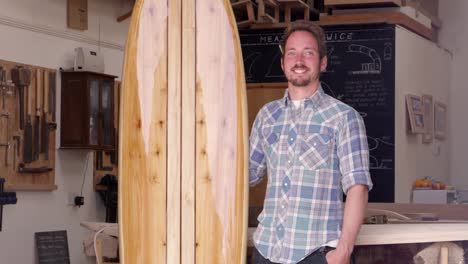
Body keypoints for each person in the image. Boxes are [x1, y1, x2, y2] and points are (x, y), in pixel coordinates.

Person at [249, 20, 373, 264]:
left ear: (322, 62)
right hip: (267, 251)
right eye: (292, 53)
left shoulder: (344, 117)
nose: (299, 61)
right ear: (284, 63)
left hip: (316, 254)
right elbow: (246, 176)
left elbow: (357, 187)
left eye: (309, 53)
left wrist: (343, 251)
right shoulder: (267, 116)